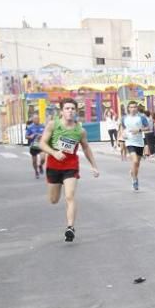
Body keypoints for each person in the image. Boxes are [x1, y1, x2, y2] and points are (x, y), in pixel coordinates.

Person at [39, 98, 100, 241]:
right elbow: (42, 143)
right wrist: (54, 153)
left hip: (70, 166)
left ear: (76, 111)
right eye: (67, 108)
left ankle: (70, 227)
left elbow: (86, 148)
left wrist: (94, 166)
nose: (70, 111)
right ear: (62, 111)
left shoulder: (80, 130)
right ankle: (57, 189)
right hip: (53, 166)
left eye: (72, 108)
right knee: (53, 200)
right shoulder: (53, 125)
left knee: (70, 196)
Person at [121, 101, 145, 191]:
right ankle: (134, 180)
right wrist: (122, 134)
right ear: (128, 108)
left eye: (135, 107)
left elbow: (148, 127)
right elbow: (122, 128)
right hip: (129, 142)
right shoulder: (124, 118)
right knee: (134, 161)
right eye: (131, 107)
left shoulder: (141, 117)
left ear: (137, 108)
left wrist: (138, 130)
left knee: (137, 165)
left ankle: (133, 173)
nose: (133, 109)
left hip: (139, 142)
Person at [25, 114, 46, 178]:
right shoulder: (30, 127)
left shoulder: (42, 126)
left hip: (41, 145)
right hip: (33, 146)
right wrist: (30, 136)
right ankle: (36, 171)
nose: (37, 120)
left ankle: (40, 165)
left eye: (38, 118)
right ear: (33, 120)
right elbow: (26, 136)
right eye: (36, 119)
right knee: (34, 161)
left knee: (43, 158)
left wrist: (42, 136)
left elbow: (46, 134)